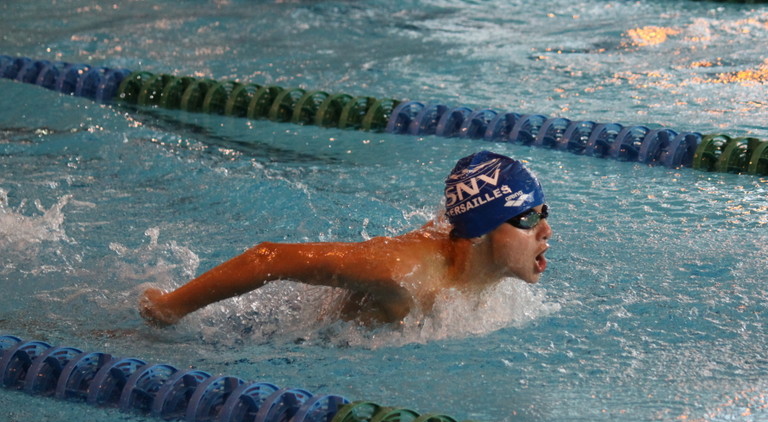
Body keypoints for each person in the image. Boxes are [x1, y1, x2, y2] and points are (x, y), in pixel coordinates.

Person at [139, 150, 551, 327]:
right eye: (529, 217)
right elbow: (269, 256)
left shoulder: (473, 242)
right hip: (271, 332)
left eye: (544, 213)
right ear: (479, 232)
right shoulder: (403, 274)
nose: (545, 230)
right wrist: (167, 309)